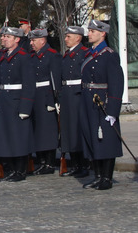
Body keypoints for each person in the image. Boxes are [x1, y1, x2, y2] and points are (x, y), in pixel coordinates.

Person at [79, 20, 124, 190]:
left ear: (102, 33)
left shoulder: (109, 54)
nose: (89, 34)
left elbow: (116, 83)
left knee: (105, 140)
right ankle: (97, 176)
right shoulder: (88, 54)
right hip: (87, 100)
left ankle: (106, 178)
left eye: (92, 31)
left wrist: (112, 110)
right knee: (92, 138)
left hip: (102, 101)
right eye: (89, 31)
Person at [0, 26, 34, 181]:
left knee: (18, 136)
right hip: (5, 99)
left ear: (17, 39)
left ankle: (20, 170)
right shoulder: (2, 56)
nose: (4, 39)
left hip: (17, 100)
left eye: (8, 37)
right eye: (3, 36)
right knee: (6, 136)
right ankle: (10, 168)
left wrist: (25, 106)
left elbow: (29, 83)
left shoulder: (23, 57)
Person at [28, 28, 61, 175]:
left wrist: (53, 100)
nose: (31, 43)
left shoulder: (52, 56)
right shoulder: (33, 56)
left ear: (43, 40)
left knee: (47, 131)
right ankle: (41, 161)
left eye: (34, 40)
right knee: (37, 130)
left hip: (46, 96)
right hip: (35, 96)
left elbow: (55, 80)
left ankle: (49, 162)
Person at [58, 26, 89, 178]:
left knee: (78, 129)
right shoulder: (67, 55)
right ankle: (75, 163)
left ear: (78, 37)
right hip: (67, 94)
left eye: (69, 36)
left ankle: (84, 164)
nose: (65, 39)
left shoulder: (83, 53)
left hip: (78, 93)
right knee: (69, 130)